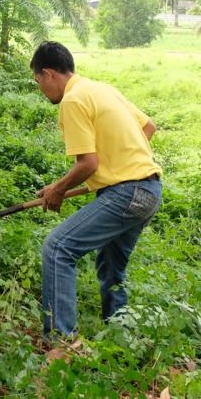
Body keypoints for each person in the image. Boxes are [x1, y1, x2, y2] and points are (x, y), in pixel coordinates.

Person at [31, 41, 162, 338]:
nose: (41, 88)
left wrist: (59, 189)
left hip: (126, 194)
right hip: (150, 192)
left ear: (49, 74)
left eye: (38, 80)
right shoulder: (101, 89)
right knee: (111, 266)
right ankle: (120, 335)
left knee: (58, 248)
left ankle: (61, 341)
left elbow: (88, 163)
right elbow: (149, 127)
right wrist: (122, 163)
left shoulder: (73, 101)